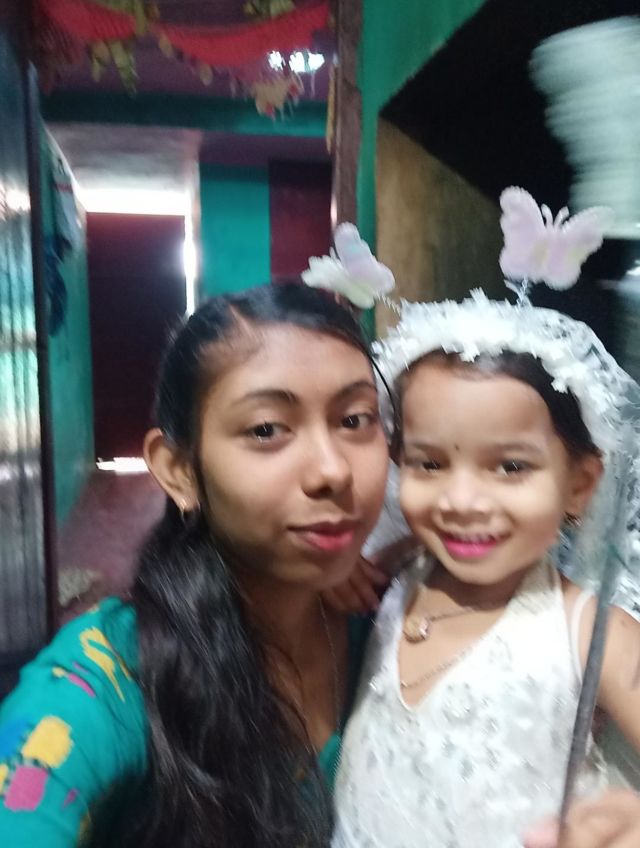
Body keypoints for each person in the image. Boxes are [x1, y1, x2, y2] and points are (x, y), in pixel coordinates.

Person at [0, 282, 391, 848]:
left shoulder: (394, 622)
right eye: (266, 429)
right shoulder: (114, 676)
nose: (333, 470)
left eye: (355, 420)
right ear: (179, 470)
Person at [331, 189, 640, 847]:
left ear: (580, 484)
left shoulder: (594, 633)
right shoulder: (398, 575)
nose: (463, 501)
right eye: (429, 463)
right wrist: (341, 572)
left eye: (510, 467)